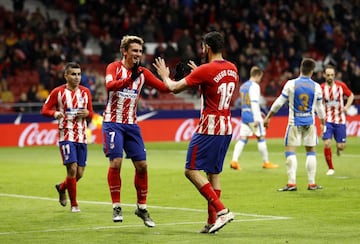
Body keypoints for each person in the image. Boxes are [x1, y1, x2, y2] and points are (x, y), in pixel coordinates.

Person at [153, 31, 235, 234]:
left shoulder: (206, 70)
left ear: (207, 47)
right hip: (226, 127)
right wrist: (200, 73)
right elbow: (214, 87)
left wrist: (164, 75)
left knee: (190, 170)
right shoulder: (232, 69)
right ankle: (211, 221)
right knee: (213, 173)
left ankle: (222, 211)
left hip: (209, 128)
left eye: (202, 46)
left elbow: (174, 88)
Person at [102, 35, 170, 227]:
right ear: (125, 51)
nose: (138, 54)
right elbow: (109, 85)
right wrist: (128, 79)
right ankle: (116, 205)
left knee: (142, 166)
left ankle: (141, 208)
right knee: (116, 162)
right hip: (112, 122)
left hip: (132, 125)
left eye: (140, 51)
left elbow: (165, 89)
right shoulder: (113, 67)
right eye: (134, 51)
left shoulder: (143, 72)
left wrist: (171, 77)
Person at [263, 58, 325, 191]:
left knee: (290, 151)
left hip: (294, 122)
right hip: (310, 122)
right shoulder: (316, 87)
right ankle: (311, 183)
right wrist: (323, 122)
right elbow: (320, 108)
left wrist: (269, 117)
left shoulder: (291, 84)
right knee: (311, 152)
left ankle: (291, 183)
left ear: (301, 68)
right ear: (312, 71)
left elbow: (279, 102)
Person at [41, 62, 93, 212]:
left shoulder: (85, 92)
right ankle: (74, 204)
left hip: (82, 136)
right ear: (66, 76)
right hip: (66, 135)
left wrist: (88, 114)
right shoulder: (58, 92)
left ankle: (62, 187)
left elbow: (90, 112)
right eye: (73, 74)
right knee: (72, 169)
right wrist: (55, 113)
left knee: (80, 174)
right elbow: (44, 109)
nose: (77, 77)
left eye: (78, 74)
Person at [230, 66, 279, 170]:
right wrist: (257, 118)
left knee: (243, 138)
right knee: (261, 137)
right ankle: (266, 162)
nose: (260, 80)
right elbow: (254, 102)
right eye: (260, 77)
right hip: (253, 115)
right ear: (257, 75)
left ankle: (234, 161)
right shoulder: (254, 86)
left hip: (244, 114)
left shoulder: (243, 86)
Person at [321, 65, 354, 175]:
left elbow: (351, 96)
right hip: (328, 120)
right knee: (327, 143)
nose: (330, 77)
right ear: (324, 75)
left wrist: (346, 107)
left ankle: (338, 149)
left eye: (332, 75)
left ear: (334, 75)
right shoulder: (321, 88)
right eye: (328, 75)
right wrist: (321, 120)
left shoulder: (341, 86)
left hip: (340, 120)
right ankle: (331, 168)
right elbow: (317, 103)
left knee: (341, 146)